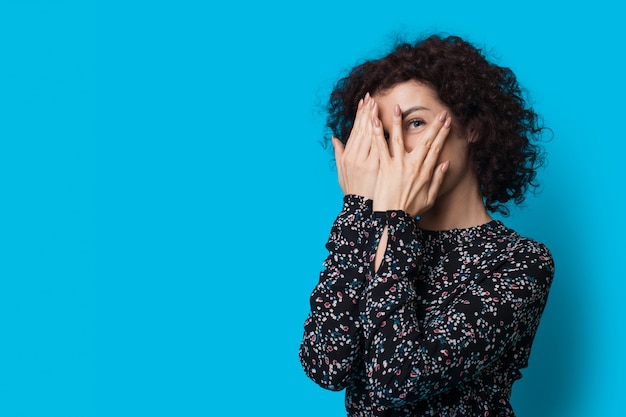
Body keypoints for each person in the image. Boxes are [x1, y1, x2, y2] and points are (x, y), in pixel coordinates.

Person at [299, 34, 554, 416]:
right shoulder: (371, 235)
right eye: (382, 134)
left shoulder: (521, 261)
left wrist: (395, 219)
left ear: (472, 127)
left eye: (415, 122)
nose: (396, 147)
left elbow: (398, 379)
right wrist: (357, 209)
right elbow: (326, 366)